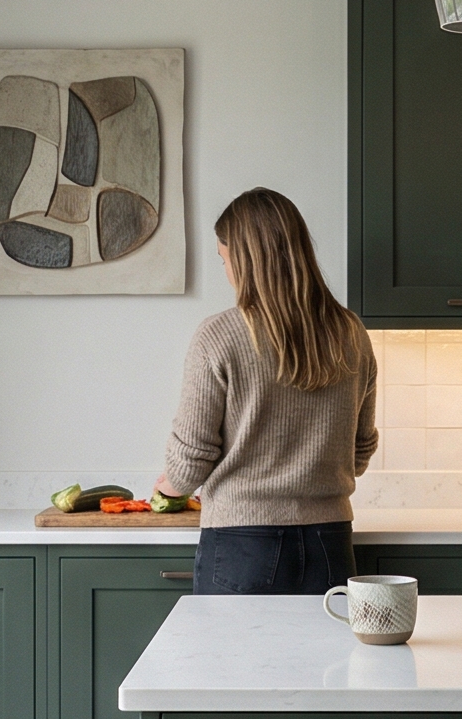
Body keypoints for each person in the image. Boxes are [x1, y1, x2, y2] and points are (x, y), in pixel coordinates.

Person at [155, 187, 377, 596]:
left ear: (244, 260)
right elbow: (359, 451)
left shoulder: (218, 336)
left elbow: (188, 465)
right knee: (323, 662)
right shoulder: (351, 332)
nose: (226, 271)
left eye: (224, 260)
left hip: (241, 546)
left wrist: (166, 487)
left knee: (235, 662)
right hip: (329, 543)